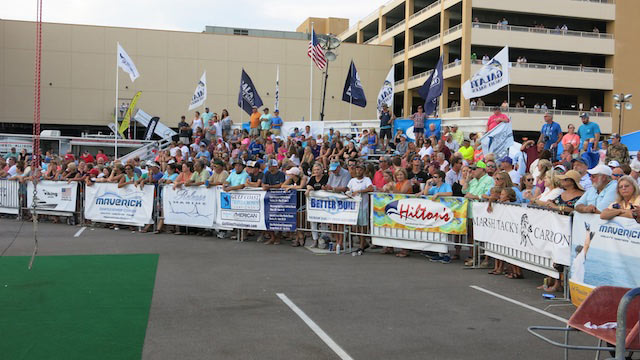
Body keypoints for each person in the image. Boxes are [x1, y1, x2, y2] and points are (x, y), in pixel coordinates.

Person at [347, 163, 374, 255]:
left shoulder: (366, 179)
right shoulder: (352, 180)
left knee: (362, 226)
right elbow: (348, 189)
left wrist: (359, 191)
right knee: (355, 227)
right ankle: (363, 243)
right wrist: (349, 193)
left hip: (363, 206)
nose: (358, 171)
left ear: (363, 171)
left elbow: (370, 188)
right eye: (357, 169)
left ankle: (362, 245)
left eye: (360, 169)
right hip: (354, 206)